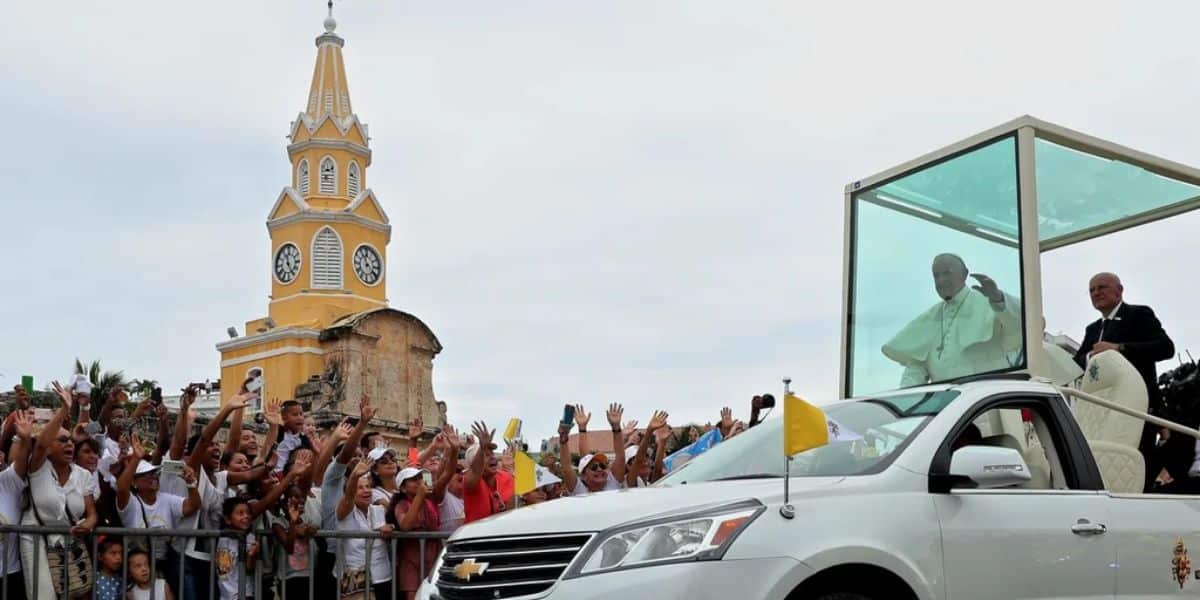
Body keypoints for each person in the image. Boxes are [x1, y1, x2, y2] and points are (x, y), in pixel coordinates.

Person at [1072, 272, 1176, 491]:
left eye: (1102, 287)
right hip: (1100, 412)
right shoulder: (1093, 330)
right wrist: (1092, 357)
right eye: (1091, 290)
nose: (1096, 293)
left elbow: (1166, 348)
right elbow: (1078, 361)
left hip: (1136, 408)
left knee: (1137, 472)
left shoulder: (1138, 315)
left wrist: (1119, 348)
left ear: (1119, 291)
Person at [883, 253, 1022, 387]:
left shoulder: (990, 303)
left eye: (947, 273)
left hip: (988, 396)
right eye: (936, 276)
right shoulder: (929, 318)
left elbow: (1019, 326)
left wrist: (998, 298)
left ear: (964, 274)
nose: (941, 281)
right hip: (949, 400)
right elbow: (916, 367)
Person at [20, 382, 98, 599]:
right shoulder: (38, 467)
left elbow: (92, 513)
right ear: (49, 447)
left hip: (69, 542)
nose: (70, 445)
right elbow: (40, 444)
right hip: (35, 541)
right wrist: (65, 409)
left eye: (71, 441)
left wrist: (89, 524)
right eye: (62, 440)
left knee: (73, 592)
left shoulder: (83, 475)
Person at [335, 460, 394, 599]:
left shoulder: (378, 510)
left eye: (367, 486)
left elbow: (395, 525)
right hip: (355, 577)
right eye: (360, 488)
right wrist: (354, 476)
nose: (366, 490)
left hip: (381, 576)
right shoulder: (345, 511)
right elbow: (348, 498)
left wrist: (391, 528)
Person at [389, 466, 440, 599]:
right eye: (413, 480)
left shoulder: (430, 501)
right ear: (403, 488)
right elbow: (405, 525)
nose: (418, 482)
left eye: (419, 478)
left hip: (432, 557)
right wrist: (419, 497)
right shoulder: (401, 505)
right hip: (411, 560)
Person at [463, 421, 514, 523]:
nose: (492, 457)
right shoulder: (470, 482)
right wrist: (481, 448)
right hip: (477, 532)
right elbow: (475, 470)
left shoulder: (507, 477)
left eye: (492, 453)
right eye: (486, 455)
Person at [216, 497, 258, 600]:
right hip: (231, 595)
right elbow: (223, 575)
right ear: (228, 519)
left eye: (248, 513)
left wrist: (251, 555)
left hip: (247, 593)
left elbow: (249, 569)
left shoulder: (251, 537)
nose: (246, 516)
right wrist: (233, 595)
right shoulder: (224, 541)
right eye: (240, 513)